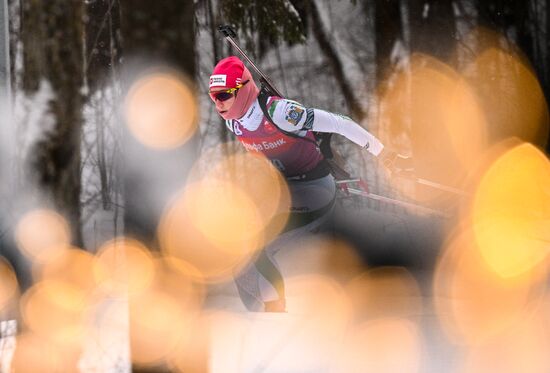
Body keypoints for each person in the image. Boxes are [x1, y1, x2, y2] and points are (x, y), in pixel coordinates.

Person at [208, 56, 411, 312]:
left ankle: (274, 315)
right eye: (213, 96)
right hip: (286, 192)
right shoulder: (233, 120)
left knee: (257, 242)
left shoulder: (279, 113)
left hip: (314, 189)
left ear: (244, 89)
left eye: (224, 95)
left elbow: (339, 122)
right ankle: (257, 319)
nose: (217, 103)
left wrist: (385, 155)